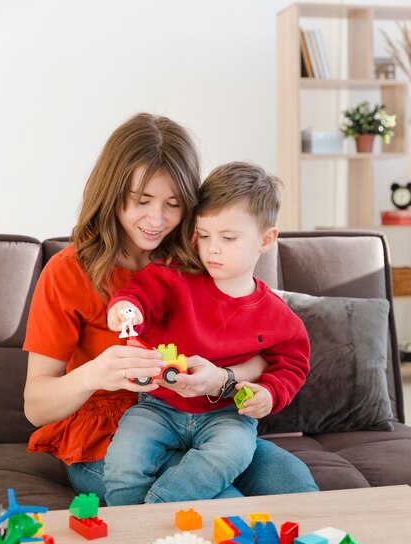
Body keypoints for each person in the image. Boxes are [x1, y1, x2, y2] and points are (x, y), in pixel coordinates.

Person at [23, 112, 318, 502]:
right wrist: (95, 373)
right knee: (224, 503)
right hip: (109, 437)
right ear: (112, 194)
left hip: (204, 416)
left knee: (292, 481)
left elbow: (264, 344)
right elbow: (35, 406)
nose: (157, 220)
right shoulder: (68, 272)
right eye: (141, 201)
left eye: (174, 204)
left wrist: (225, 376)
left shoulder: (202, 259)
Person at [105, 161, 311, 505]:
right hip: (159, 405)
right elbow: (141, 295)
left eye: (228, 238)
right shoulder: (175, 277)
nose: (212, 248)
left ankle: (156, 511)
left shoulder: (277, 316)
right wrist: (127, 308)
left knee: (233, 453)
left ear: (266, 239)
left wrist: (270, 394)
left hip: (226, 414)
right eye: (203, 235)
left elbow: (292, 365)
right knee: (123, 462)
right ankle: (127, 528)